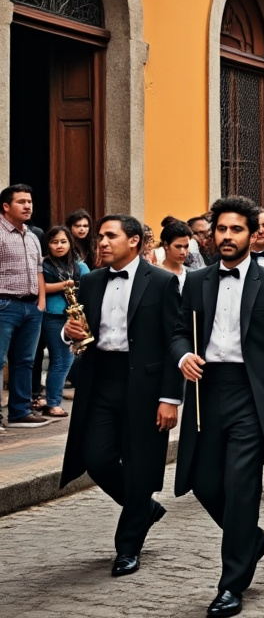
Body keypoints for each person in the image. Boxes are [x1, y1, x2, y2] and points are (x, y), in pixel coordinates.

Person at [172, 196, 264, 618]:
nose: (227, 237)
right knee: (201, 481)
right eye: (221, 230)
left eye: (236, 230)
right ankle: (252, 539)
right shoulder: (196, 282)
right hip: (206, 391)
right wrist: (183, 356)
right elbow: (179, 331)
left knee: (241, 486)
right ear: (212, 235)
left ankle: (231, 584)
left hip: (254, 398)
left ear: (254, 235)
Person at [57, 215, 181, 575]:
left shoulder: (161, 282)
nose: (102, 242)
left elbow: (175, 339)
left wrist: (170, 398)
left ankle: (127, 548)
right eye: (100, 237)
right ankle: (143, 508)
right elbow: (81, 335)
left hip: (145, 384)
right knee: (95, 457)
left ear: (135, 242)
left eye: (111, 236)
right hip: (101, 381)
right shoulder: (91, 281)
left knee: (141, 467)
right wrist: (69, 332)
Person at [1, 184, 49, 428]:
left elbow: (39, 269)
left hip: (32, 308)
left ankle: (19, 411)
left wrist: (41, 302)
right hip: (5, 304)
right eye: (21, 202)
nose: (28, 206)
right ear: (6, 206)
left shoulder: (33, 235)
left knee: (25, 361)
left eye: (29, 201)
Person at [39, 226, 88, 416]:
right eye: (54, 242)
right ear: (47, 245)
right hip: (53, 316)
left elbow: (89, 286)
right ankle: (53, 403)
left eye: (63, 241)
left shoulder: (79, 265)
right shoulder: (43, 265)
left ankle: (55, 400)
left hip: (76, 317)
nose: (59, 246)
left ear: (70, 243)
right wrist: (64, 285)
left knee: (74, 358)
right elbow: (39, 287)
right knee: (61, 360)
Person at [157, 220, 192, 293]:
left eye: (186, 247)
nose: (183, 252)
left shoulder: (193, 275)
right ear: (166, 245)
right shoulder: (155, 275)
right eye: (178, 247)